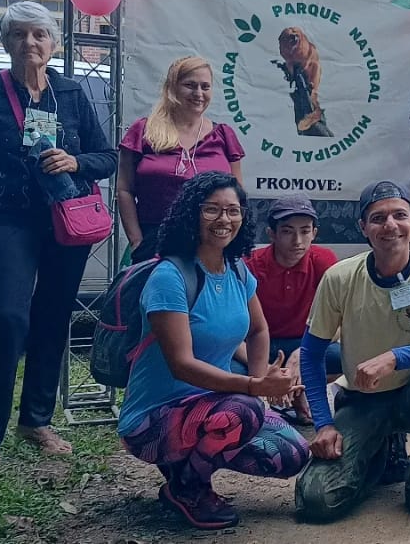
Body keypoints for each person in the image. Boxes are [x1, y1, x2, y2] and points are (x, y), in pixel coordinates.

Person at [0, 1, 117, 484]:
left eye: (39, 34)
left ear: (54, 43)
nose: (30, 43)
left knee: (53, 318)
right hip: (7, 222)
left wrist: (76, 162)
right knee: (7, 319)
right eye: (19, 34)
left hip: (66, 221)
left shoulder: (71, 92)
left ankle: (35, 420)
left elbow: (107, 156)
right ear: (6, 42)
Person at [118, 172, 309, 530]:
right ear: (191, 213)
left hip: (213, 408)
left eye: (233, 211)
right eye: (212, 210)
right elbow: (182, 365)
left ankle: (186, 461)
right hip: (153, 421)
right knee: (243, 410)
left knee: (291, 455)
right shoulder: (170, 277)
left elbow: (258, 330)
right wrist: (252, 388)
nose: (224, 219)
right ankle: (188, 487)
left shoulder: (237, 270)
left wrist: (260, 380)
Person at [294, 181, 410, 527]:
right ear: (363, 227)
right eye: (378, 218)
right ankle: (381, 453)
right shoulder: (340, 278)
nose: (390, 225)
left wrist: (395, 357)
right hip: (363, 400)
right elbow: (311, 354)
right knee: (316, 500)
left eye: (399, 215)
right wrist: (323, 425)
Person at [119, 56, 246, 263]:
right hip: (155, 242)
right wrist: (136, 240)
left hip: (212, 241)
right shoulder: (143, 131)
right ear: (172, 87)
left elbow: (238, 196)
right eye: (190, 85)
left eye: (205, 86)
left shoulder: (223, 135)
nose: (199, 93)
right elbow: (124, 189)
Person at [240, 195, 340, 424]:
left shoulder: (324, 260)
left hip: (304, 341)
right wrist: (265, 374)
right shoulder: (249, 265)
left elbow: (340, 322)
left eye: (305, 231)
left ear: (314, 233)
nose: (298, 241)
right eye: (287, 231)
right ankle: (253, 413)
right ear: (271, 234)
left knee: (347, 356)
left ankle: (302, 393)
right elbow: (234, 334)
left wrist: (304, 353)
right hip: (259, 344)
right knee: (230, 368)